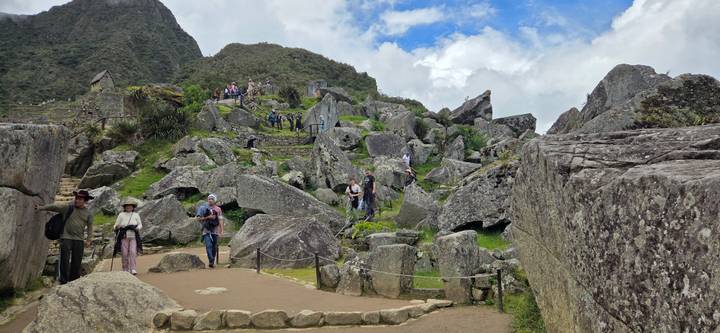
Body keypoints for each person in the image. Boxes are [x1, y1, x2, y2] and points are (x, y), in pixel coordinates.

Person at [36, 190, 94, 284]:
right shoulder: (68, 208)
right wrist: (41, 207)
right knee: (64, 260)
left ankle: (74, 281)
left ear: (85, 201)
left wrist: (89, 239)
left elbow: (90, 227)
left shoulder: (88, 213)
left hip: (79, 240)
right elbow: (54, 207)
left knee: (76, 262)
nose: (77, 200)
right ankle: (63, 280)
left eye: (80, 199)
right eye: (77, 198)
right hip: (65, 237)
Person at [113, 199, 143, 275]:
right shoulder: (121, 215)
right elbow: (115, 225)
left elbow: (140, 224)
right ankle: (125, 268)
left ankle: (133, 268)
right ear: (125, 207)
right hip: (124, 236)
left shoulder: (136, 215)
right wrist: (117, 226)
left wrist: (137, 228)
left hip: (133, 235)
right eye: (127, 206)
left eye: (130, 206)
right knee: (124, 253)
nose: (129, 207)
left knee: (133, 252)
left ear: (133, 207)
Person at [196, 194, 224, 268]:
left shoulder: (218, 209)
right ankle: (211, 259)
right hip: (206, 230)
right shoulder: (203, 208)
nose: (210, 200)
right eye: (209, 199)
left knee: (214, 246)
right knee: (208, 245)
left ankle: (211, 261)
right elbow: (198, 219)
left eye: (212, 199)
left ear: (215, 200)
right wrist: (208, 217)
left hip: (215, 230)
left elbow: (221, 219)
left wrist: (222, 230)